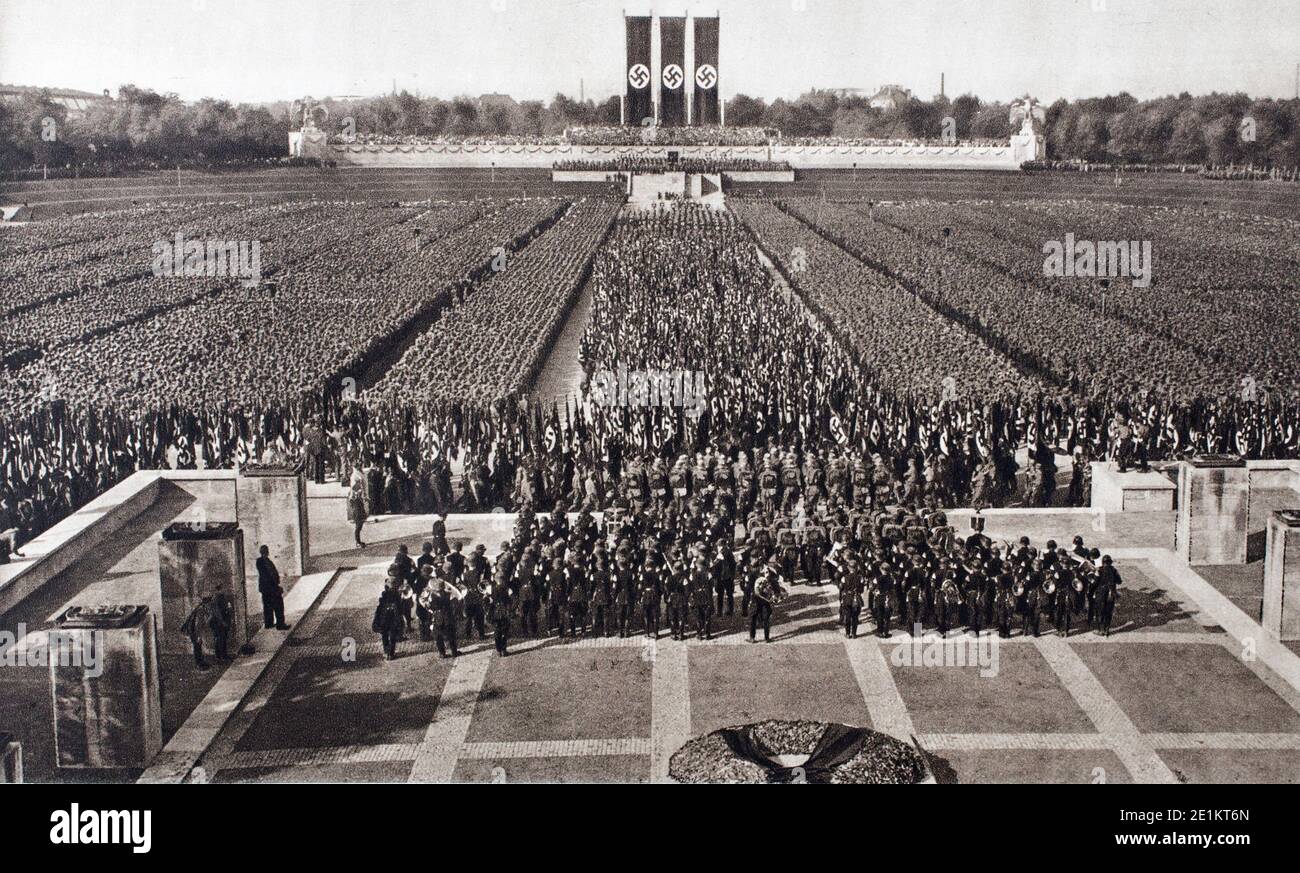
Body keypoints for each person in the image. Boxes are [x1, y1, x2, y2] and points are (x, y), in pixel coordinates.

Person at [256, 545, 290, 630]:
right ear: (266, 552)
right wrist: (276, 586)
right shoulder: (263, 562)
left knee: (268, 606)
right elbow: (270, 575)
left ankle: (269, 623)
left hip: (266, 588)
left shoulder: (262, 561)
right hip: (271, 588)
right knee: (278, 606)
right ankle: (280, 624)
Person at [373, 577, 405, 661]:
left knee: (385, 635)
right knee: (392, 635)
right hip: (393, 618)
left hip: (384, 617)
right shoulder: (396, 594)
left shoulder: (384, 594)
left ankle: (386, 652)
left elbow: (380, 606)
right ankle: (391, 653)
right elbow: (400, 607)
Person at [348, 480, 369, 548]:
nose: (361, 489)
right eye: (359, 487)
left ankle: (358, 541)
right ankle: (358, 542)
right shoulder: (354, 496)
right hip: (357, 513)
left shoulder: (357, 496)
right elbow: (353, 502)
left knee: (359, 527)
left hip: (360, 512)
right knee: (358, 527)